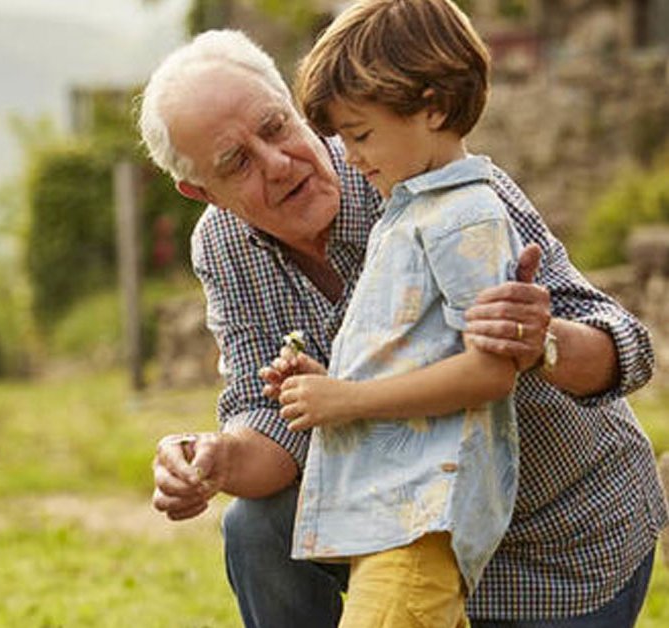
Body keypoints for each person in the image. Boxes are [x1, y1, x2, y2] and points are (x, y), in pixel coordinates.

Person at [138, 27, 668, 628]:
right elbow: (272, 419)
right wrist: (215, 459)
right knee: (256, 525)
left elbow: (624, 347)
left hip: (556, 539)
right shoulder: (223, 243)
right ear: (199, 191)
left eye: (274, 127)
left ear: (291, 101)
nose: (279, 163)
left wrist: (541, 339)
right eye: (238, 162)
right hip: (401, 531)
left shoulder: (432, 175)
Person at [267, 1, 526, 625]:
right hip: (392, 517)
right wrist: (321, 384)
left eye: (360, 134)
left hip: (419, 519)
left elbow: (491, 373)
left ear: (432, 107)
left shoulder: (468, 215)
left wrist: (345, 402)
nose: (350, 157)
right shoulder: (411, 210)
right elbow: (411, 349)